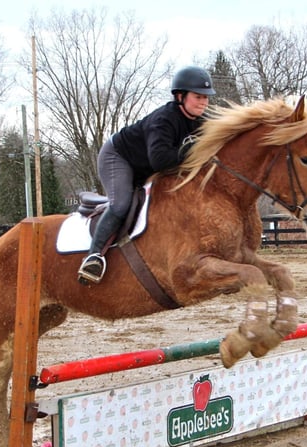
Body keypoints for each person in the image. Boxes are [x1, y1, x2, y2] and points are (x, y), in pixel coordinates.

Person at [77, 65, 215, 284]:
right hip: (118, 157)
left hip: (145, 167)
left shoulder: (200, 121)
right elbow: (160, 160)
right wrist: (196, 148)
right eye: (198, 97)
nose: (203, 102)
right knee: (121, 204)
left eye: (206, 98)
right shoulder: (164, 120)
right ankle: (93, 257)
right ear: (180, 96)